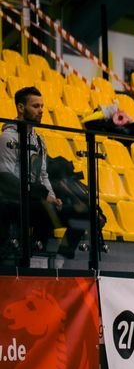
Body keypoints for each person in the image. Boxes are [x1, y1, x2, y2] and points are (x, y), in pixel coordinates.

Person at [0, 86, 62, 261]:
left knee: (79, 211)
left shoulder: (39, 140)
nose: (41, 110)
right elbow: (5, 177)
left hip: (34, 197)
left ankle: (50, 256)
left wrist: (52, 196)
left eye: (42, 106)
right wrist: (40, 194)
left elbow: (43, 175)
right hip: (12, 198)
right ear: (20, 108)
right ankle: (27, 256)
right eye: (35, 106)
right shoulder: (7, 138)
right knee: (44, 209)